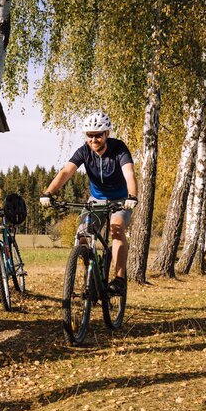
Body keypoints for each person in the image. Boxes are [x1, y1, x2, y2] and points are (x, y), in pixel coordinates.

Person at [40, 112, 138, 295]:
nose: (94, 139)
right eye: (90, 135)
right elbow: (65, 172)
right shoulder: (84, 151)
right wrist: (49, 192)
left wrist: (132, 196)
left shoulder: (119, 149)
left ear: (107, 134)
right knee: (82, 236)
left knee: (116, 229)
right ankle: (91, 275)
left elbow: (129, 174)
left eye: (98, 135)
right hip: (96, 200)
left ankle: (119, 279)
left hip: (121, 200)